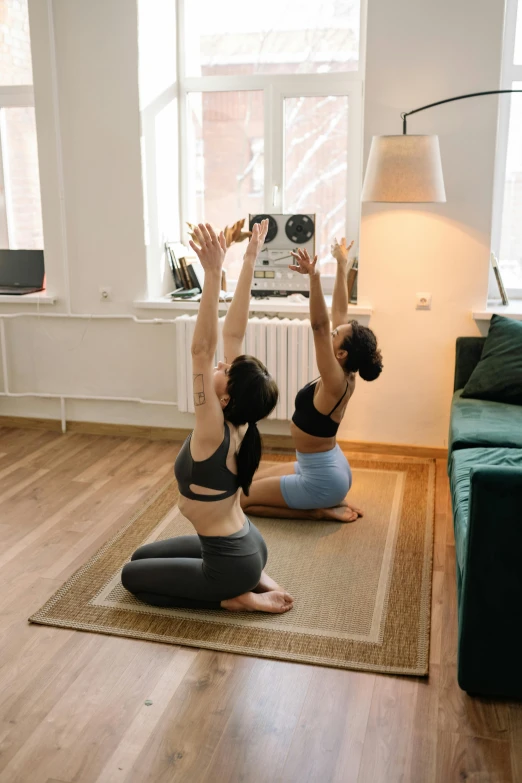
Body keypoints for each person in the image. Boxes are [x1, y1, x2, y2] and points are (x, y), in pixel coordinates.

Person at [122, 221, 293, 613]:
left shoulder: (212, 428)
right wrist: (249, 256)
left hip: (230, 563)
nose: (219, 363)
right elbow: (232, 334)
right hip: (247, 545)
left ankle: (237, 598)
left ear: (227, 394)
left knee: (131, 579)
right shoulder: (241, 417)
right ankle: (255, 577)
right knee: (141, 556)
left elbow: (202, 348)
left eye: (224, 370)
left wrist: (213, 272)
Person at [241, 237, 383, 523]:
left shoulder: (335, 381)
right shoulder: (346, 370)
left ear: (341, 353)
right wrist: (342, 264)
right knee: (247, 481)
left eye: (336, 336)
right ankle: (323, 499)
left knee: (243, 501)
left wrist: (315, 277)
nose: (331, 333)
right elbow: (339, 314)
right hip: (328, 467)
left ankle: (319, 511)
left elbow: (320, 326)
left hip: (323, 479)